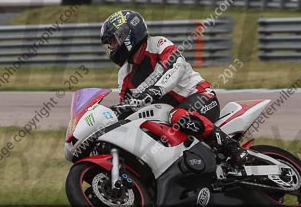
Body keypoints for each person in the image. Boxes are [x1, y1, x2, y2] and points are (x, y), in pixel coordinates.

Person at [100, 9, 249, 165]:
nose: (111, 47)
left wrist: (155, 91)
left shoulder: (159, 44)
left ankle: (233, 149)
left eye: (112, 41)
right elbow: (127, 108)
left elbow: (176, 67)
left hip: (201, 98)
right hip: (168, 117)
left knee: (177, 116)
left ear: (126, 35)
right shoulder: (124, 74)